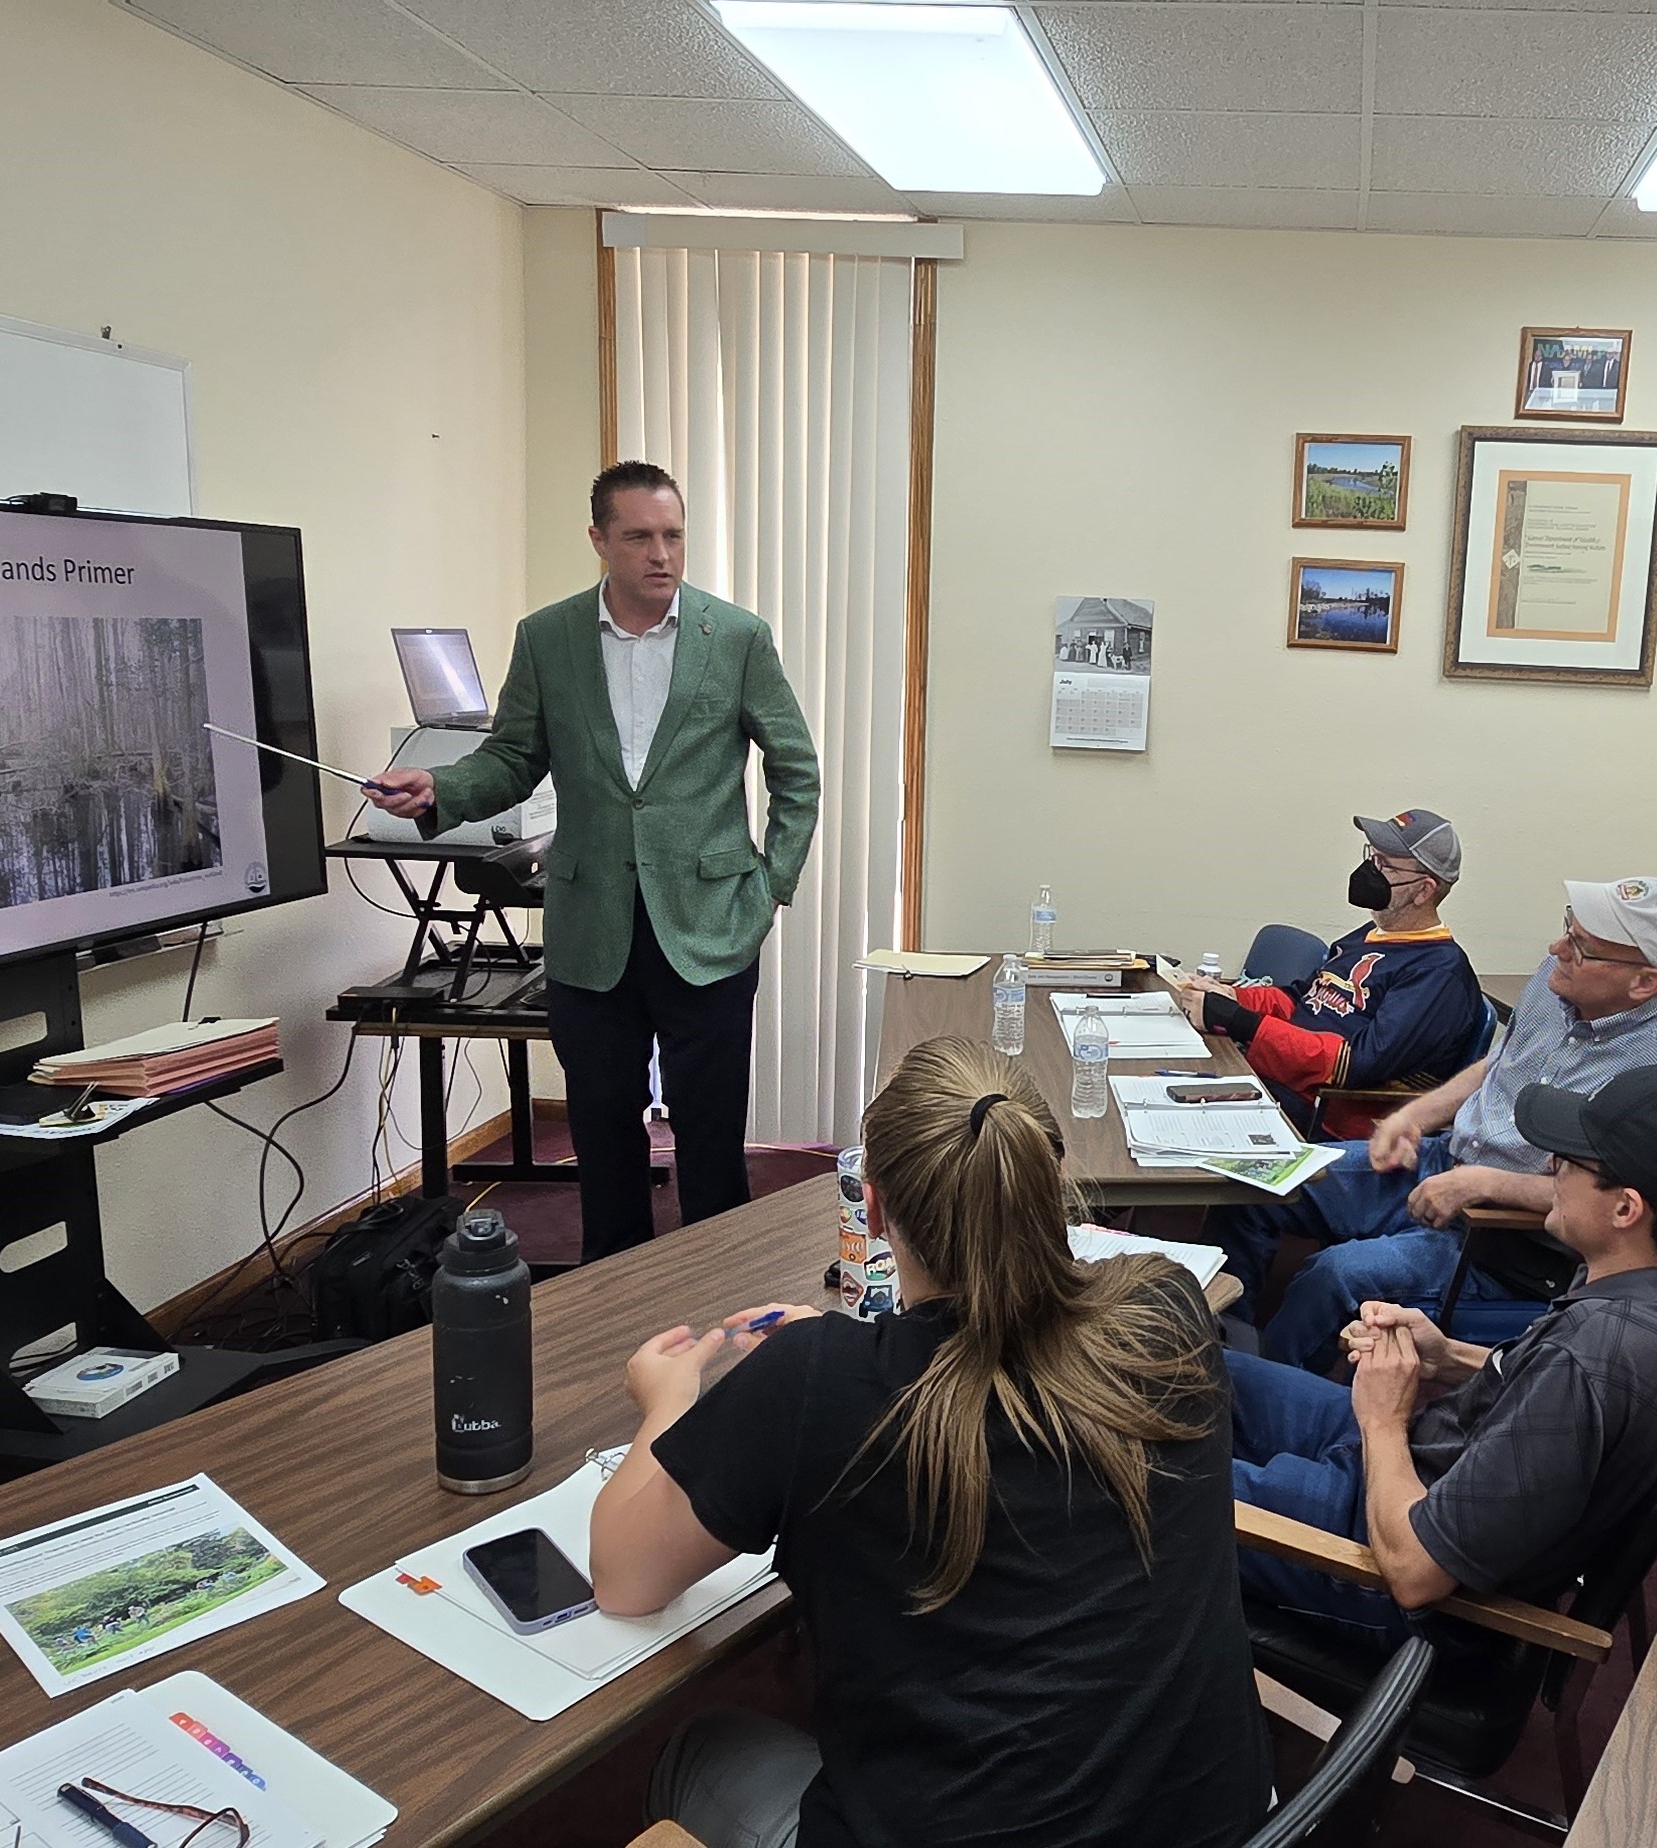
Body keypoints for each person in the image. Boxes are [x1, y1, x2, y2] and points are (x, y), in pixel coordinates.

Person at [587, 1040, 1266, 1848]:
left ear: (871, 1209)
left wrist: (668, 1404)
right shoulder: (1166, 1305)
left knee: (701, 1750)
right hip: (1221, 1823)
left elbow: (624, 1580)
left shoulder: (816, 1386)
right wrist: (836, 1360)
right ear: (1045, 1188)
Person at [365, 462, 821, 1259]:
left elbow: (795, 771)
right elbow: (511, 760)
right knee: (604, 1136)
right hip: (590, 926)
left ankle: (715, 1299)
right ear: (599, 540)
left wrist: (769, 887)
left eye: (673, 535)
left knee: (710, 1137)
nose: (661, 554)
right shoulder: (548, 638)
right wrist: (435, 788)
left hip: (710, 921)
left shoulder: (737, 637)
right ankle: (610, 1305)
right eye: (639, 536)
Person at [1225, 1064, 1657, 1636]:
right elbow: (1561, 1408)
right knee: (1203, 1372)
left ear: (1626, 1209)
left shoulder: (1595, 1358)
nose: (1550, 1167)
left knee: (1138, 1482)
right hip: (1422, 1465)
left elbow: (1415, 1575)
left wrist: (1382, 1419)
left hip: (1387, 1559)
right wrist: (1448, 1357)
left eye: (1570, 1161)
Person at [1212, 877, 1657, 1372]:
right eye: (1566, 928)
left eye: (1580, 946)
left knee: (1334, 1276)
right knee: (1256, 1183)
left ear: (1646, 982)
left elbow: (1613, 1205)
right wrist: (1413, 1116)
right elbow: (1497, 1065)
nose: (1556, 947)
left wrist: (1486, 1183)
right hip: (1445, 1158)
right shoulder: (1554, 982)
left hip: (1505, 1238)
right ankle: (1229, 1343)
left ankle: (1258, 1396)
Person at [1164, 809, 1484, 1122]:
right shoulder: (1366, 936)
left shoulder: (1438, 971)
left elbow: (1356, 1065)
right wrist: (1232, 997)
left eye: (1385, 865)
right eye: (1371, 857)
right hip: (1281, 1078)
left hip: (1325, 1114)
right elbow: (1301, 998)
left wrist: (1242, 1023)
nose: (1369, 870)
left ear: (1424, 890)